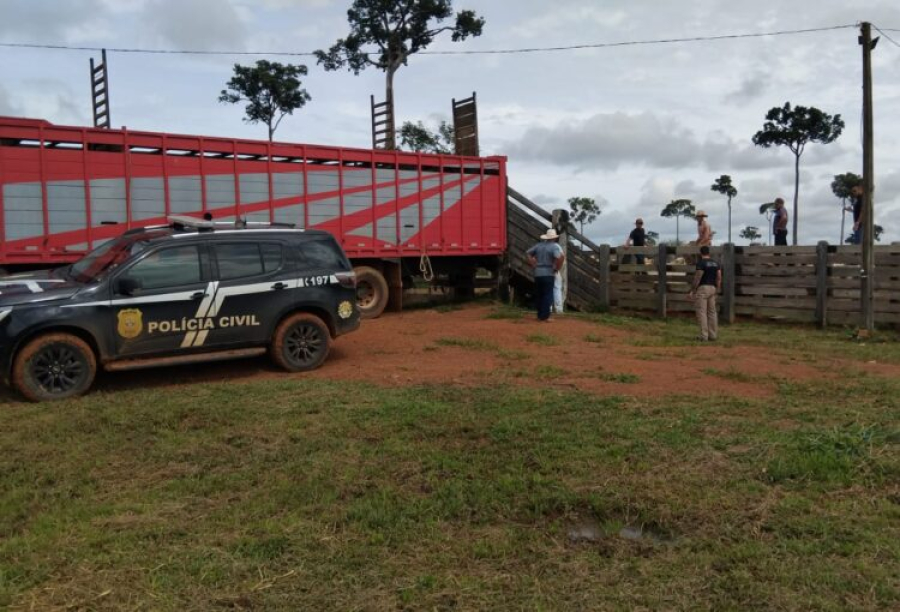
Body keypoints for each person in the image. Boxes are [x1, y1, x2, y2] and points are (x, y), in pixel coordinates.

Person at [527, 229, 565, 321]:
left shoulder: (539, 245)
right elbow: (559, 258)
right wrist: (557, 268)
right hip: (548, 272)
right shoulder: (554, 247)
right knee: (548, 294)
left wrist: (533, 263)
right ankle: (545, 316)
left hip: (538, 272)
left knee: (539, 294)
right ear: (554, 238)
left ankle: (540, 315)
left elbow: (528, 253)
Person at [688, 246, 721, 341]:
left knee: (701, 312)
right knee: (712, 312)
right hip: (712, 288)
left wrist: (692, 290)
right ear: (708, 252)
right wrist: (717, 289)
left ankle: (703, 336)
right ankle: (713, 335)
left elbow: (698, 277)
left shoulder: (701, 263)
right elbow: (719, 277)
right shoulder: (715, 263)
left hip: (703, 288)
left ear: (701, 253)